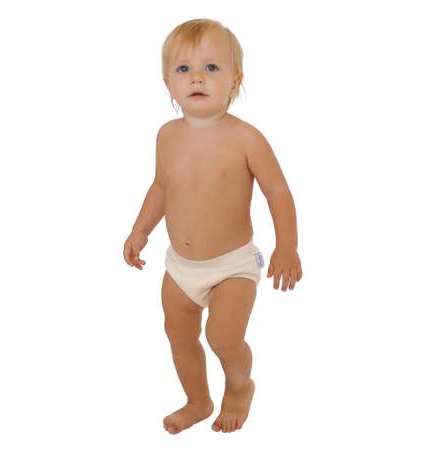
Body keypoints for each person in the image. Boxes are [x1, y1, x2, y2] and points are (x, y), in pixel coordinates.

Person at [123, 18, 302, 434]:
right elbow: (161, 187)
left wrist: (287, 246)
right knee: (179, 335)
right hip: (180, 267)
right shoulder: (166, 136)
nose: (197, 77)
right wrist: (140, 230)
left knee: (222, 337)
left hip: (232, 266)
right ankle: (198, 400)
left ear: (234, 82)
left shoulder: (246, 138)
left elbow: (278, 191)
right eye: (184, 69)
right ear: (168, 83)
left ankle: (239, 388)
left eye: (211, 67)